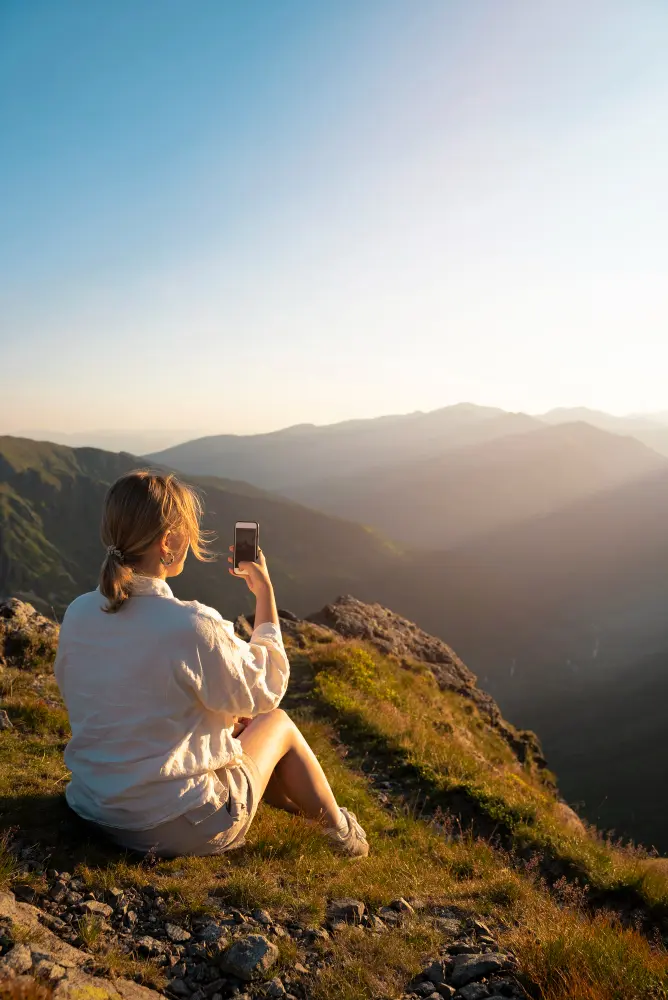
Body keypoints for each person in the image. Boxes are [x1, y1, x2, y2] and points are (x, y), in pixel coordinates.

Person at [54, 470, 368, 858]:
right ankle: (342, 833)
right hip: (170, 826)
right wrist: (264, 592)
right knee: (276, 724)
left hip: (92, 807)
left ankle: (308, 815)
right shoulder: (189, 624)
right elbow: (266, 687)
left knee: (235, 724)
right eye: (187, 530)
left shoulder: (79, 612)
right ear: (168, 541)